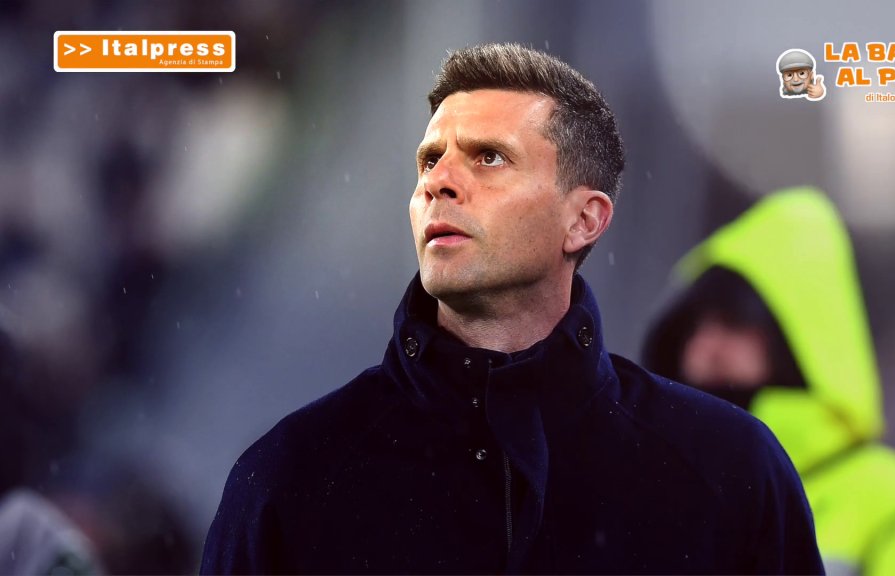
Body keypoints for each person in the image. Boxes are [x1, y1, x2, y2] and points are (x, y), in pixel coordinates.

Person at [201, 43, 823, 574]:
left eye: (488, 157)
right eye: (429, 160)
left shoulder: (730, 470)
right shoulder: (288, 478)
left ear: (584, 220)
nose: (438, 182)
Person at [642, 187, 895, 575]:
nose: (702, 346)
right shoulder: (651, 495)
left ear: (795, 335)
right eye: (692, 326)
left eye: (733, 321)